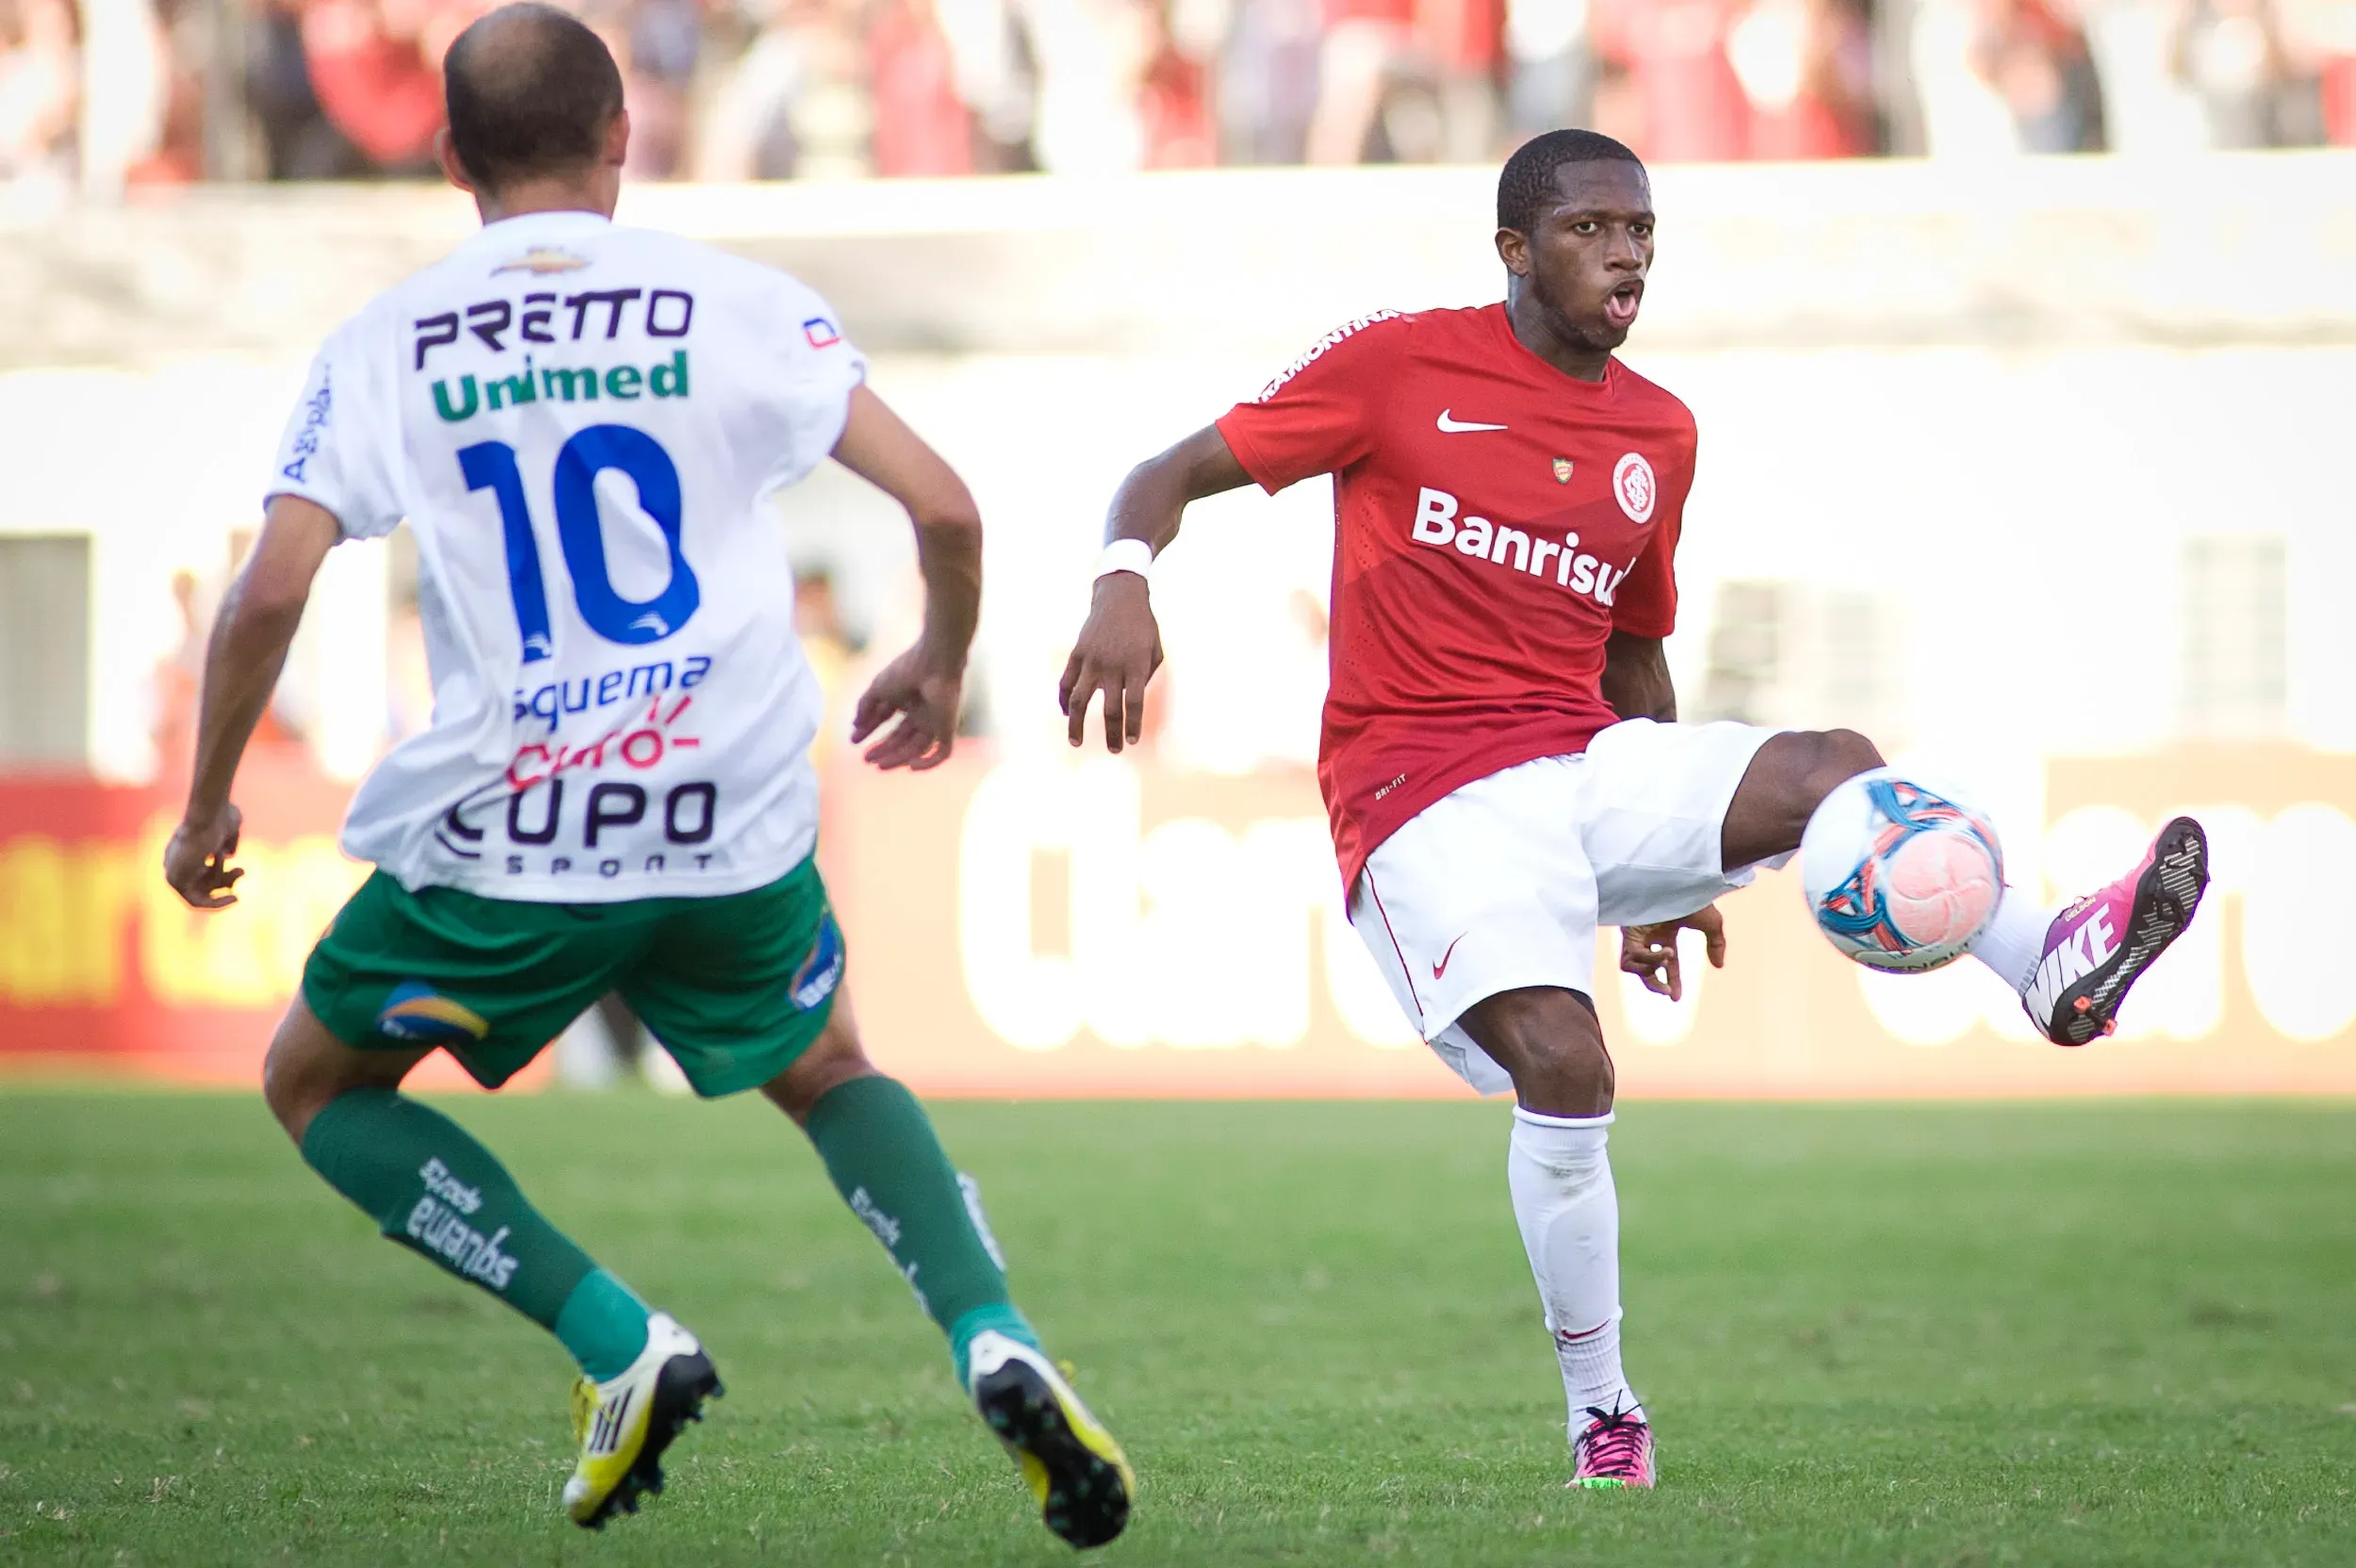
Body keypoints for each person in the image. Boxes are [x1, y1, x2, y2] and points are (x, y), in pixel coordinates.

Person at [1057, 127, 2209, 1490]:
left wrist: (1672, 875)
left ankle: (2047, 963)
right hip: (1418, 792)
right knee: (1567, 1063)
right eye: (1594, 229)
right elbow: (1169, 470)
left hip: (1585, 764)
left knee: (1835, 758)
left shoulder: (1659, 431)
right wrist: (1123, 580)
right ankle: (1604, 1412)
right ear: (1513, 251)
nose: (1627, 255)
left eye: (1643, 232)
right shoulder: (1398, 366)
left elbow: (1631, 654)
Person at [161, 5, 1132, 1544]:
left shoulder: (388, 340)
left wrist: (210, 797)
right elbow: (946, 508)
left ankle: (617, 1342)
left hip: (513, 828)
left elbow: (267, 594)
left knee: (313, 1083)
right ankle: (991, 1332)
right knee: (829, 1071)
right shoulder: (734, 304)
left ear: (449, 157)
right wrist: (940, 665)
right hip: (721, 810)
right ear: (626, 135)